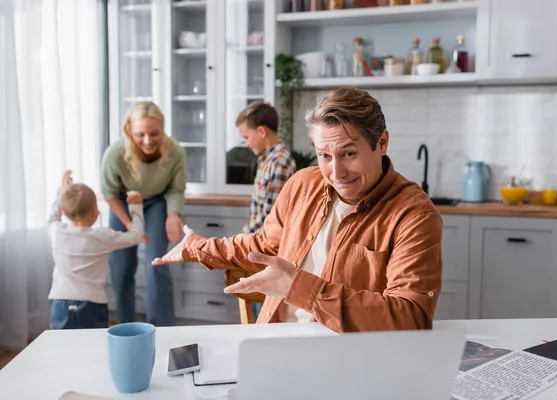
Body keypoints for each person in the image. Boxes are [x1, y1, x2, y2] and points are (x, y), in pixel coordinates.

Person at [153, 88, 442, 333]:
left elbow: (410, 316)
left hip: (348, 358)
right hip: (275, 338)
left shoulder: (414, 214)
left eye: (349, 154)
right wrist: (199, 248)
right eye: (324, 156)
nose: (336, 172)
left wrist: (300, 288)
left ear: (381, 143)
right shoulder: (303, 184)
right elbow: (264, 244)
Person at [101, 101, 187, 327]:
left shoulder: (175, 152)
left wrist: (173, 214)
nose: (148, 141)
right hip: (123, 202)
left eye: (154, 133)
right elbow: (109, 192)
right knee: (121, 268)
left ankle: (163, 328)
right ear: (129, 130)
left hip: (157, 201)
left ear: (163, 128)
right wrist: (129, 224)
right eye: (140, 134)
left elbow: (176, 189)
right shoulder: (115, 154)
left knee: (157, 263)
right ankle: (126, 326)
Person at [48, 170, 145, 329]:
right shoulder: (102, 236)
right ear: (95, 212)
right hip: (92, 305)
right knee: (94, 348)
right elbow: (135, 236)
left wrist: (63, 190)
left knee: (62, 349)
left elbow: (53, 216)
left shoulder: (57, 232)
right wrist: (135, 207)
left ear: (64, 212)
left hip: (61, 304)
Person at [236, 101, 296, 319]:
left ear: (261, 131)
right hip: (257, 246)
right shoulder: (267, 160)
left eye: (246, 137)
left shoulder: (278, 163)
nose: (245, 143)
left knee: (262, 310)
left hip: (266, 251)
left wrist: (242, 243)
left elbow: (270, 221)